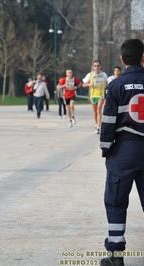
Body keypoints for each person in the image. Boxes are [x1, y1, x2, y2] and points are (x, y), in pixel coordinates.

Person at [99, 38, 144, 266]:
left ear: (123, 60)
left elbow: (107, 122)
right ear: (143, 58)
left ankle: (116, 257)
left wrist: (106, 149)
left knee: (116, 202)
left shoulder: (115, 85)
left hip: (124, 149)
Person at [82, 60, 108, 134]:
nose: (96, 67)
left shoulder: (104, 74)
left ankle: (98, 127)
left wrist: (105, 85)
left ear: (100, 66)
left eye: (98, 66)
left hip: (101, 95)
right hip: (93, 95)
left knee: (99, 110)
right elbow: (83, 84)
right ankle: (96, 124)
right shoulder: (90, 75)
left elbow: (107, 83)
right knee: (95, 111)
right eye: (95, 66)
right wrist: (89, 84)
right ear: (93, 67)